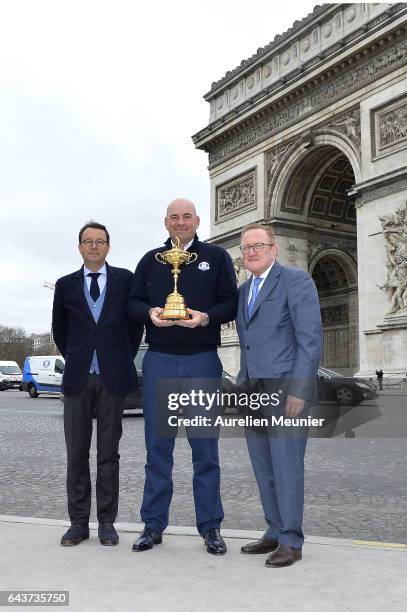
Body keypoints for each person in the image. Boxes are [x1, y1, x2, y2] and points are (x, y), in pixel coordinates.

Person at [128, 198, 237, 555]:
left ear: (197, 220)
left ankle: (211, 528)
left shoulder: (217, 258)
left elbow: (230, 303)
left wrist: (204, 318)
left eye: (186, 216)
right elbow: (131, 304)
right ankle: (152, 525)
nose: (180, 222)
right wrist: (150, 312)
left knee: (205, 451)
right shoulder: (149, 260)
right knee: (157, 451)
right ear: (165, 223)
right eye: (174, 217)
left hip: (202, 362)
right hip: (159, 361)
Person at [236, 223, 322, 567]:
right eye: (246, 248)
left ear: (274, 249)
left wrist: (299, 390)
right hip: (253, 391)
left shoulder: (296, 281)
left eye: (258, 246)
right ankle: (274, 530)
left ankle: (291, 541)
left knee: (286, 467)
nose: (252, 252)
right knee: (264, 466)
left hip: (286, 390)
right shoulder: (243, 291)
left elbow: (310, 340)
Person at [52, 221, 143, 547]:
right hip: (77, 380)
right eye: (88, 241)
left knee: (109, 455)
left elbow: (135, 329)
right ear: (79, 247)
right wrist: (79, 356)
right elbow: (59, 331)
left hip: (112, 380)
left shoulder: (126, 281)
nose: (93, 246)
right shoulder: (64, 285)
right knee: (76, 454)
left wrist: (116, 359)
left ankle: (106, 522)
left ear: (108, 246)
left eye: (99, 241)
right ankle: (78, 523)